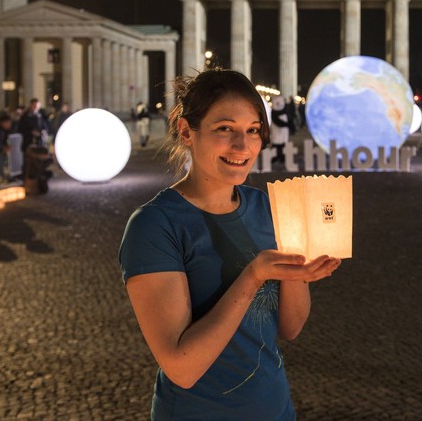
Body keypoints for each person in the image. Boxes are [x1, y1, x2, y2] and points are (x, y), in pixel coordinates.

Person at [119, 69, 340, 420]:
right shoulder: (154, 226)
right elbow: (181, 368)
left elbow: (290, 327)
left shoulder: (269, 207)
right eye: (225, 129)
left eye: (253, 130)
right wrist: (253, 276)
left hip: (276, 410)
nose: (243, 146)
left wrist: (297, 273)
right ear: (186, 132)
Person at [270, 95, 291, 164]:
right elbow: (277, 122)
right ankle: (275, 157)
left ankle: (281, 157)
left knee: (282, 147)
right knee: (276, 146)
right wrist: (286, 124)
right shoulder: (274, 113)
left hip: (283, 134)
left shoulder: (284, 112)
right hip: (276, 133)